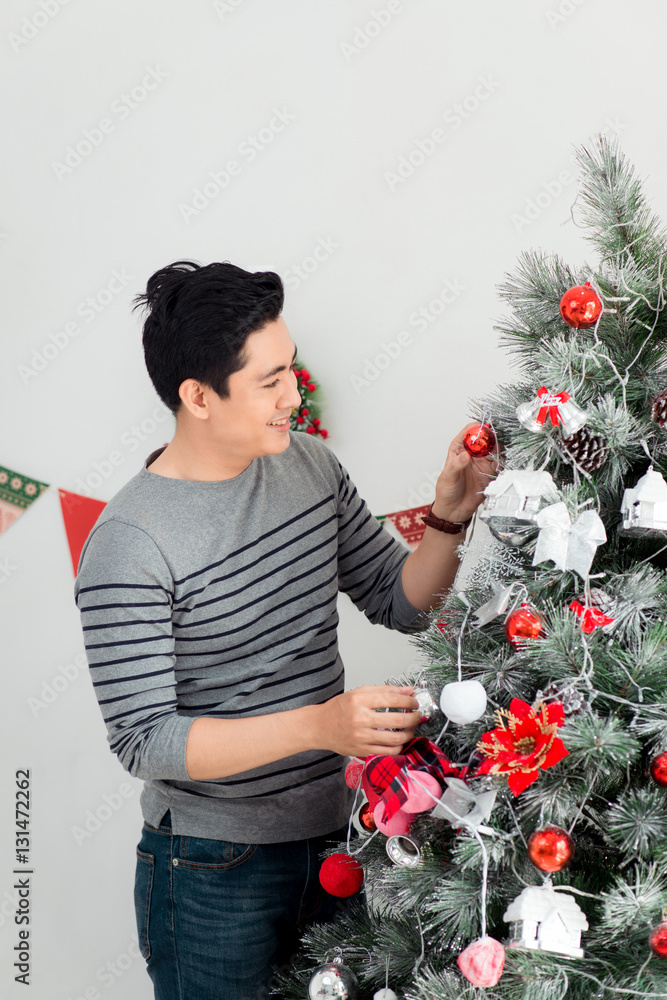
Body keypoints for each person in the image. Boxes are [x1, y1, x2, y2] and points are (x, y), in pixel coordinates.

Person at [73, 260, 495, 1000]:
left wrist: (448, 516)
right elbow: (145, 741)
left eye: (290, 372)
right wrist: (320, 726)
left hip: (341, 841)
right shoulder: (131, 541)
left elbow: (402, 604)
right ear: (198, 396)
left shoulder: (308, 466)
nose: (292, 396)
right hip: (209, 867)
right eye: (268, 381)